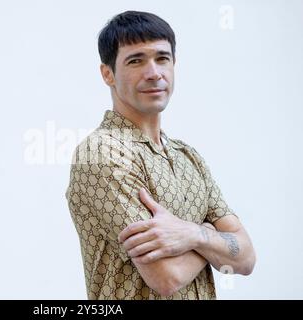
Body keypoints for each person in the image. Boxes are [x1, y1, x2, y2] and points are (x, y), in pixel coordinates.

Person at [65, 10, 256, 300]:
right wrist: (210, 236)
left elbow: (246, 259)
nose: (154, 72)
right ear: (108, 74)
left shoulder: (188, 156)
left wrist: (190, 234)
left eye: (162, 58)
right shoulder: (102, 153)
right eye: (136, 60)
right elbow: (167, 277)